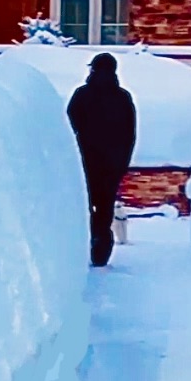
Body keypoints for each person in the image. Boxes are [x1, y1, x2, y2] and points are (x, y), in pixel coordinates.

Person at [66, 52, 137, 267]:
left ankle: (87, 244)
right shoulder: (123, 98)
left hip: (85, 161)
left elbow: (69, 126)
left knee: (86, 205)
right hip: (112, 164)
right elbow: (129, 134)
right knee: (105, 207)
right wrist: (123, 163)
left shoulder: (82, 95)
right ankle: (101, 250)